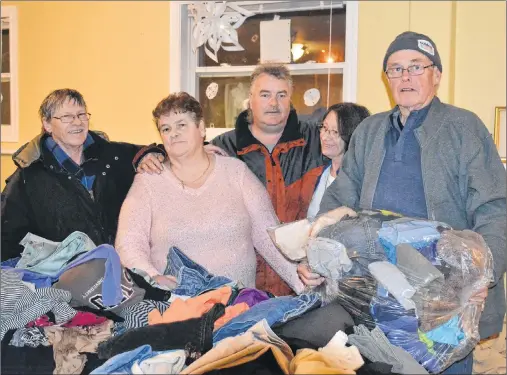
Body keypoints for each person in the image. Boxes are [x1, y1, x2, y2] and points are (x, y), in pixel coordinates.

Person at [301, 31, 507, 374]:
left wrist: (481, 275)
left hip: (445, 304)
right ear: (387, 80)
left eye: (416, 67)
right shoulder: (369, 131)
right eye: (395, 69)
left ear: (436, 75)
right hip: (372, 304)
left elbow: (495, 209)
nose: (405, 77)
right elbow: (338, 201)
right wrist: (316, 254)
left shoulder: (464, 127)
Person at [136, 63, 325, 296]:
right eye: (265, 94)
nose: (273, 104)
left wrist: (304, 281)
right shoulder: (224, 148)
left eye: (281, 95)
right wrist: (153, 154)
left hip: (300, 273)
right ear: (251, 98)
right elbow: (184, 152)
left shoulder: (319, 142)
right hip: (246, 287)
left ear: (291, 98)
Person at [114, 92, 304, 292]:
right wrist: (153, 279)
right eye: (166, 128)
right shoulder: (147, 183)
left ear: (202, 128)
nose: (174, 134)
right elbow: (129, 246)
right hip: (178, 311)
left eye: (181, 125)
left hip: (239, 309)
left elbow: (268, 236)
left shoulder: (236, 172)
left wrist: (304, 284)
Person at [0, 88, 150, 261]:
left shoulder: (112, 155)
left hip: (121, 266)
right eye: (67, 117)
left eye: (81, 115)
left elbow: (149, 151)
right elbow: (7, 236)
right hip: (63, 277)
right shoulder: (28, 176)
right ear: (47, 124)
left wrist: (151, 154)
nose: (77, 122)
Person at [307, 103, 370, 218]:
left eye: (335, 132)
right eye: (324, 128)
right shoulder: (316, 173)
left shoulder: (363, 182)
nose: (325, 137)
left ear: (352, 135)